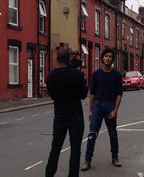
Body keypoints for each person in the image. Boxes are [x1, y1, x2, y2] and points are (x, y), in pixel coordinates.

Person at [45, 48, 88, 177]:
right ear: (69, 59)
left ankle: (49, 174)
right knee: (75, 149)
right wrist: (84, 83)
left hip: (59, 116)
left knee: (56, 147)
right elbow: (83, 95)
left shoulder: (50, 77)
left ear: (57, 59)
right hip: (75, 116)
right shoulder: (78, 75)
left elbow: (52, 96)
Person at [81, 47, 123, 171]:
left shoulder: (116, 75)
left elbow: (119, 94)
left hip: (110, 105)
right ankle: (87, 160)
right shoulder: (96, 74)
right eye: (106, 56)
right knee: (92, 134)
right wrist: (90, 110)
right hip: (98, 106)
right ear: (102, 58)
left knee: (113, 134)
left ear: (112, 59)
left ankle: (115, 158)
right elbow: (92, 93)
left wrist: (115, 110)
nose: (108, 58)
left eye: (110, 56)